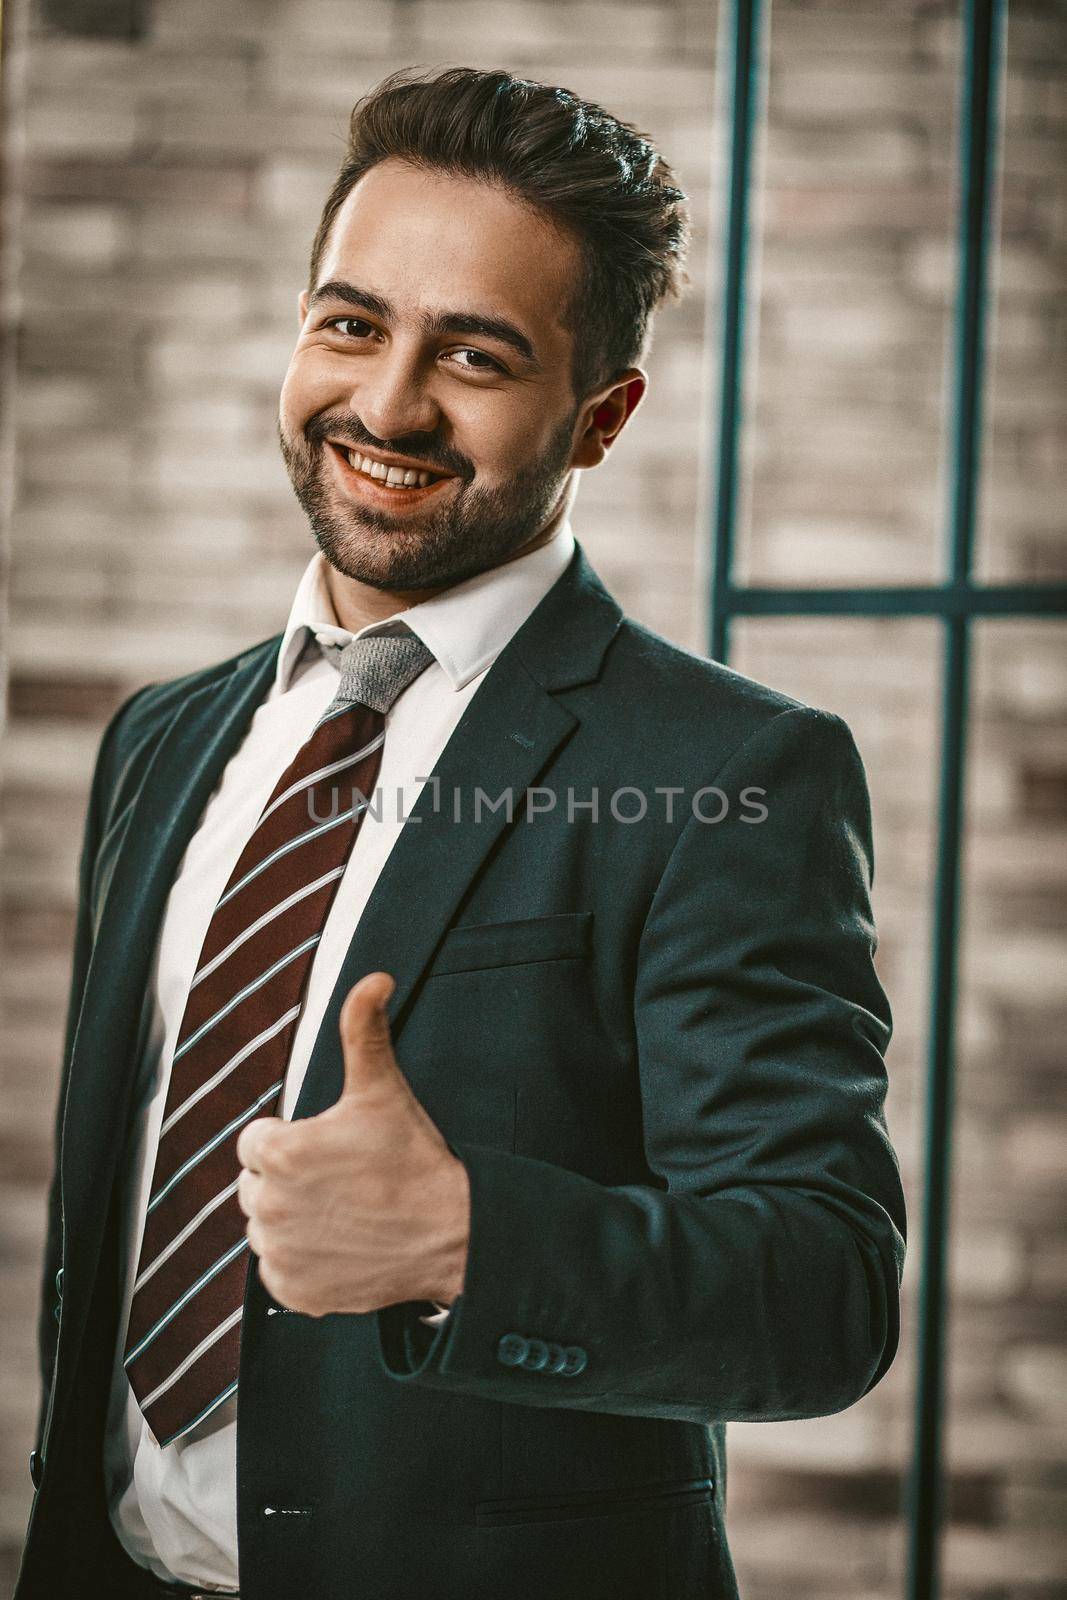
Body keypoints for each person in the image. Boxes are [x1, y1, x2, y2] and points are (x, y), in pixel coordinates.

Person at [17, 65, 906, 1600]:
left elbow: (821, 1290)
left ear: (600, 417)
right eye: (351, 323)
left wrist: (466, 1243)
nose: (387, 404)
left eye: (476, 355)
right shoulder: (161, 740)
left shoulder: (734, 771)